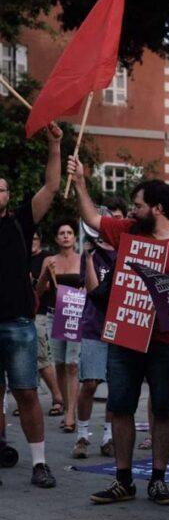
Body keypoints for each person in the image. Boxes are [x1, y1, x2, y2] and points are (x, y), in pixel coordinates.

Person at [69, 158, 169, 506]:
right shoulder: (128, 229)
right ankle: (123, 479)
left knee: (163, 407)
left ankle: (158, 479)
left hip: (165, 340)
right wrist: (81, 181)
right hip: (125, 337)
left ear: (158, 208)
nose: (133, 209)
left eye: (139, 204)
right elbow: (92, 219)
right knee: (121, 405)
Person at [0, 121, 62, 488]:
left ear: (9, 195)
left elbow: (52, 186)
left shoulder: (21, 221)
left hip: (19, 323)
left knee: (26, 392)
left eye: (1, 187)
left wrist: (55, 146)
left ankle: (40, 462)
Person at [73, 196, 128, 459]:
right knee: (91, 383)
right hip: (95, 327)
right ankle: (82, 434)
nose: (114, 223)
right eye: (111, 218)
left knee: (116, 388)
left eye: (119, 218)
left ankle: (108, 436)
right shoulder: (91, 253)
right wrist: (90, 256)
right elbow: (94, 291)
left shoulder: (126, 251)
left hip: (118, 328)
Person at [35, 217, 84, 433]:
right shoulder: (49, 260)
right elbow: (38, 292)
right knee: (61, 364)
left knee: (73, 363)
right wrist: (45, 275)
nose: (65, 236)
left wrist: (84, 292)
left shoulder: (83, 260)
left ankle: (70, 413)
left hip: (75, 315)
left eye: (69, 233)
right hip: (56, 315)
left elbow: (91, 288)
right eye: (62, 233)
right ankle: (66, 405)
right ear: (56, 238)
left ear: (74, 237)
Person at [27, 229, 65, 417]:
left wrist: (33, 281)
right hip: (22, 314)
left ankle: (58, 398)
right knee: (26, 361)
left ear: (40, 240)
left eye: (35, 238)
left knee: (42, 359)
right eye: (29, 238)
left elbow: (49, 286)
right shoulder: (21, 255)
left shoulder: (46, 258)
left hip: (40, 313)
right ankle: (26, 401)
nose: (32, 241)